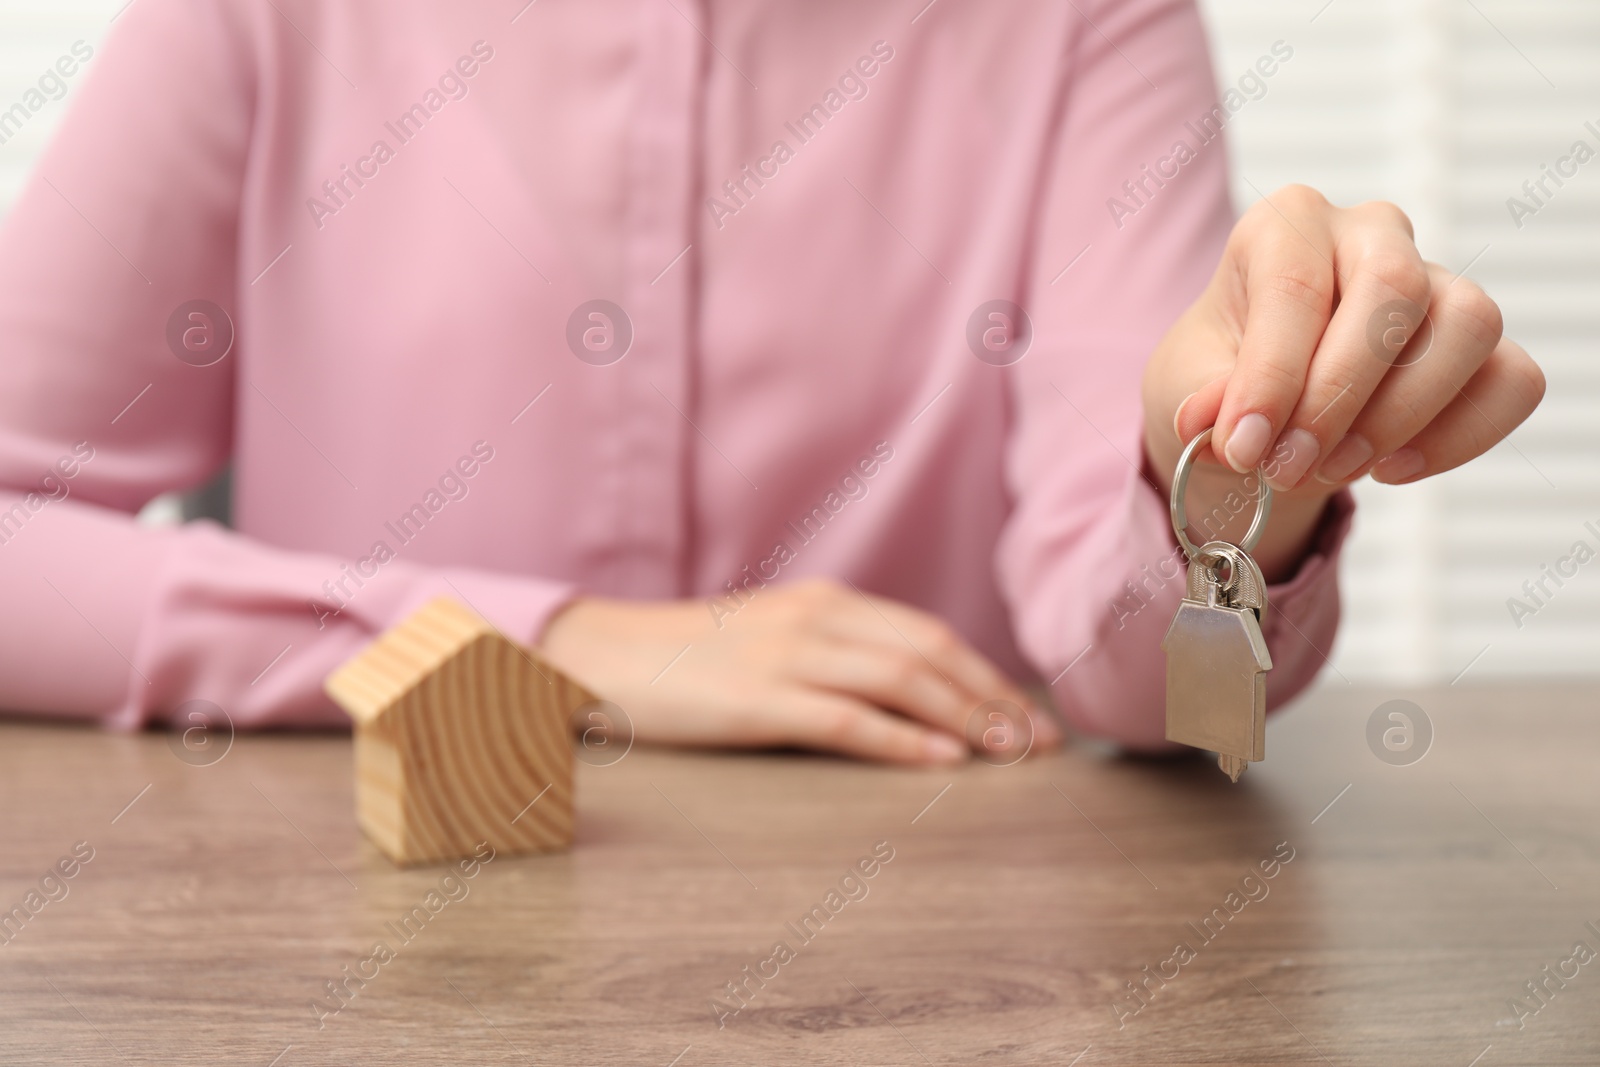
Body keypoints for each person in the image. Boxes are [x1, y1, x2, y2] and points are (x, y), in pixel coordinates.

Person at [0, 0, 1541, 765]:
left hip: (934, 994)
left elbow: (1150, 691)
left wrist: (1223, 484)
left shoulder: (1079, 23)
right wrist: (555, 656)